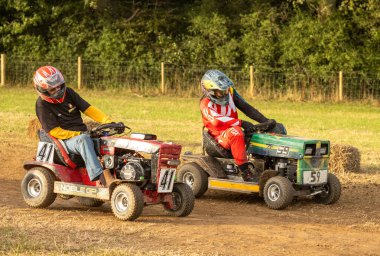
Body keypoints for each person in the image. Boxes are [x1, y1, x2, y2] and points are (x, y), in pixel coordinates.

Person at [33, 65, 115, 187]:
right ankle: (99, 179)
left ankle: (117, 174)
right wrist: (77, 134)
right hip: (64, 142)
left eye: (58, 87)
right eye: (52, 89)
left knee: (106, 140)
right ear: (43, 90)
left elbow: (88, 109)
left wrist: (107, 121)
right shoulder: (41, 105)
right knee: (83, 140)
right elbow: (54, 131)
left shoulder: (68, 93)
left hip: (81, 135)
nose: (57, 90)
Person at [200, 69, 279, 182]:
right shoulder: (205, 103)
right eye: (221, 92)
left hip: (233, 129)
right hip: (218, 136)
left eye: (226, 90)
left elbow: (246, 107)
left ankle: (270, 166)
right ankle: (245, 172)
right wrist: (241, 123)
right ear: (210, 91)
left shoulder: (230, 92)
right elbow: (217, 121)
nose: (225, 93)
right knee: (236, 133)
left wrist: (265, 121)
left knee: (272, 130)